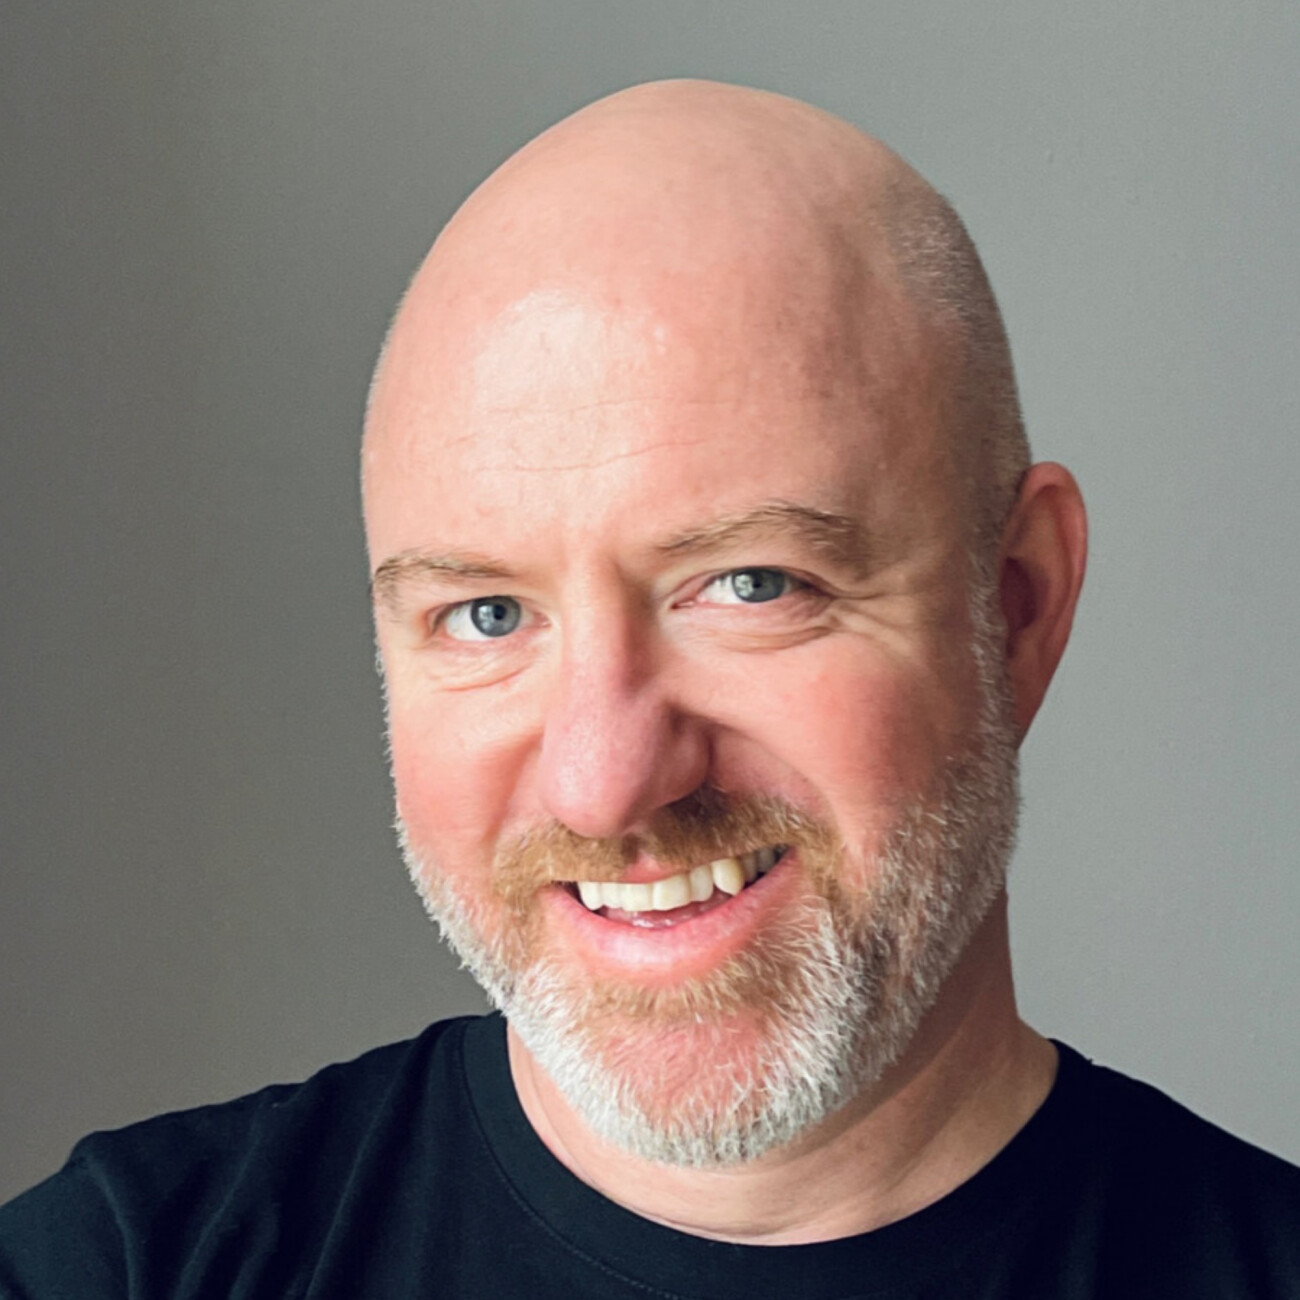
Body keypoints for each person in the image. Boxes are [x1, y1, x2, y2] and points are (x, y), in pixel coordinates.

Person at [1, 78, 1297, 1299]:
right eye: (487, 615)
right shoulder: (122, 1269)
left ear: (1015, 606)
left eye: (751, 585)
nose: (605, 783)